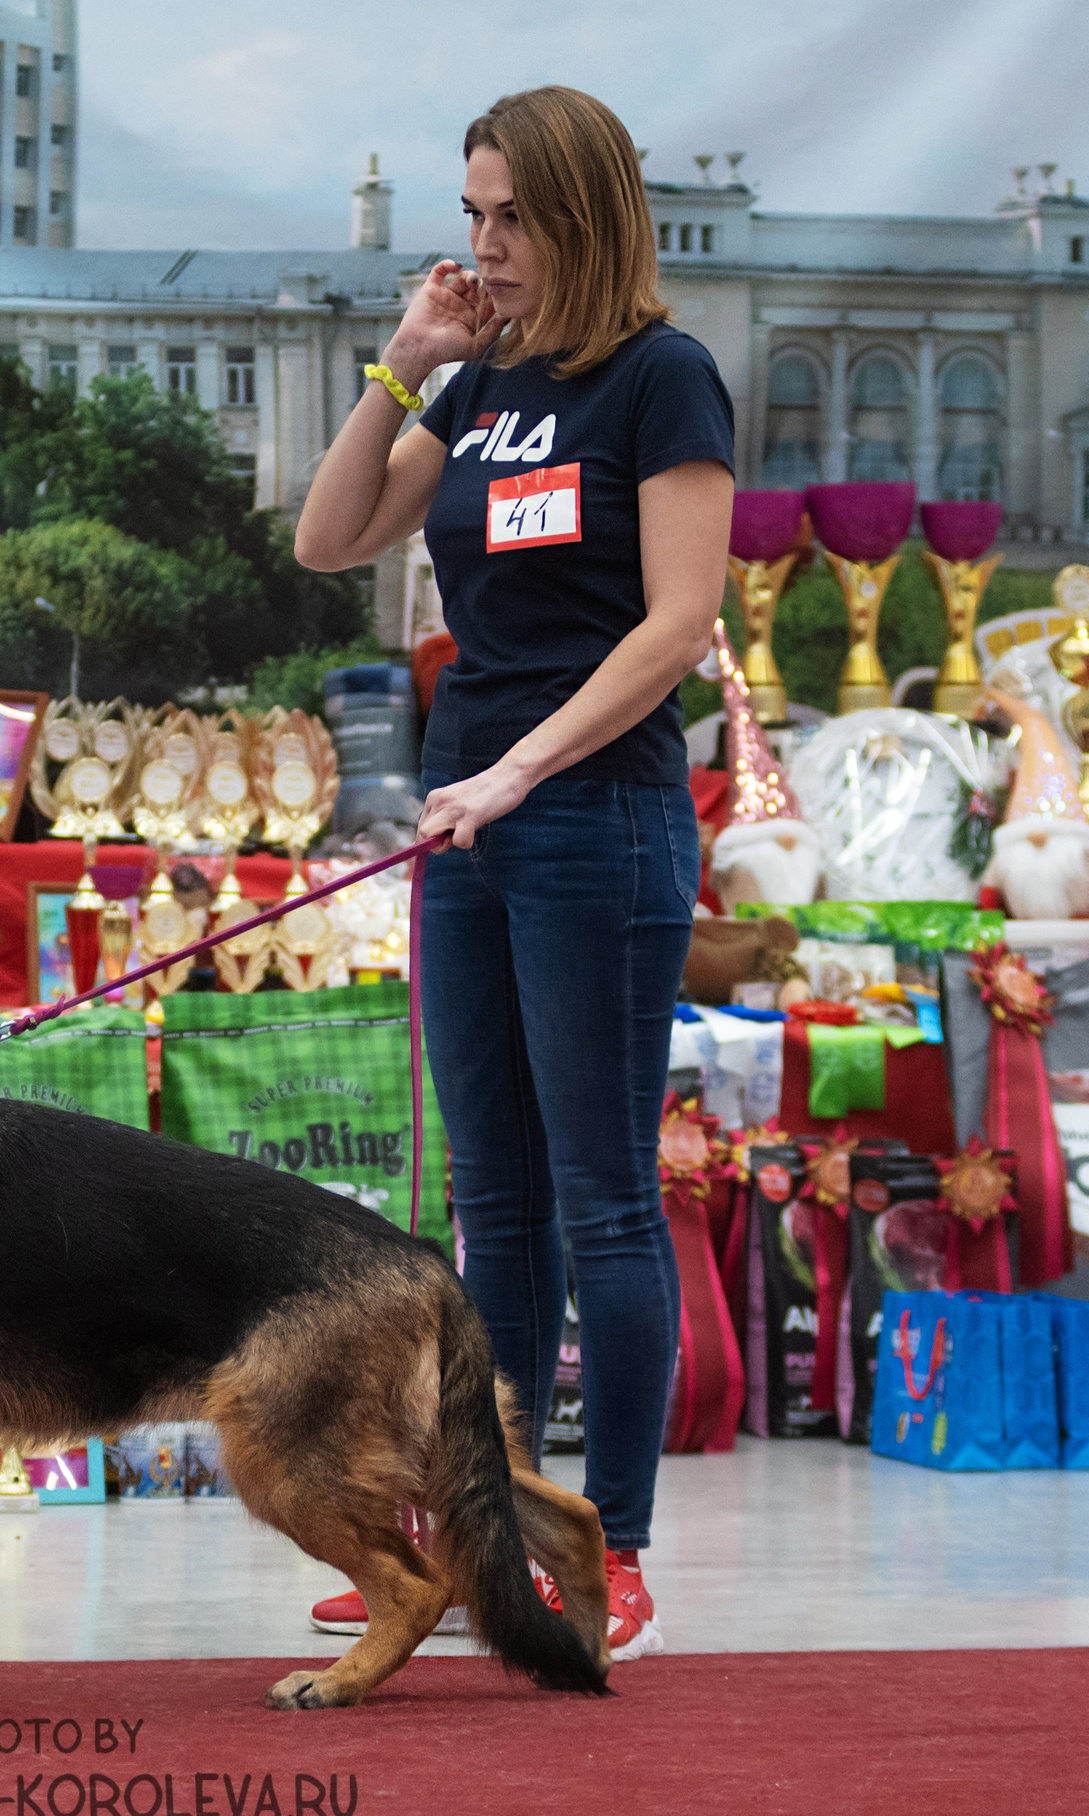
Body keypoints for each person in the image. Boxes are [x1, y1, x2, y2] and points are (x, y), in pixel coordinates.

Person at [293, 85, 734, 1662]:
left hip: (592, 815)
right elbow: (331, 539)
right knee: (493, 1207)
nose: (484, 245)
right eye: (471, 215)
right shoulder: (479, 384)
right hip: (468, 820)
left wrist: (525, 767)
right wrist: (403, 363)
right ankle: (487, 1535)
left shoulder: (662, 380)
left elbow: (678, 622)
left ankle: (611, 1549)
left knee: (604, 1198)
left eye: (513, 217)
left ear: (586, 214)